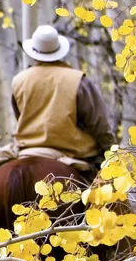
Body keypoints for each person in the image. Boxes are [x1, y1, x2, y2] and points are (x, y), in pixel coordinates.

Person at [11, 24, 118, 173]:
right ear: (59, 51)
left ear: (33, 52)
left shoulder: (18, 80)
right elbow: (98, 123)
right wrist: (111, 150)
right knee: (109, 191)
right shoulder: (78, 80)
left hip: (27, 149)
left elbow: (20, 116)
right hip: (72, 151)